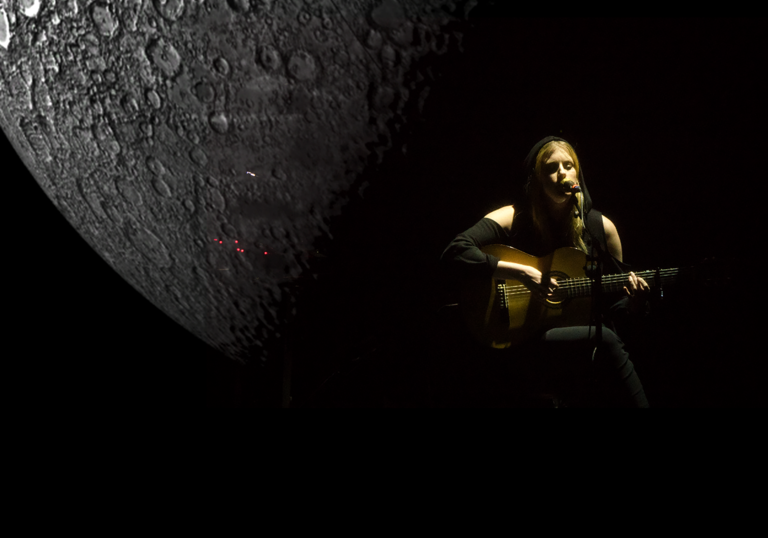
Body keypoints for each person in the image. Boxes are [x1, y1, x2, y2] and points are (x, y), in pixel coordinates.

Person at [440, 136, 651, 407]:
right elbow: (455, 251)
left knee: (606, 337)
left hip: (574, 341)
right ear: (537, 178)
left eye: (568, 165)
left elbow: (611, 310)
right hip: (523, 339)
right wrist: (521, 273)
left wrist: (634, 304)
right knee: (606, 340)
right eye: (552, 168)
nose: (562, 172)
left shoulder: (601, 229)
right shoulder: (513, 216)